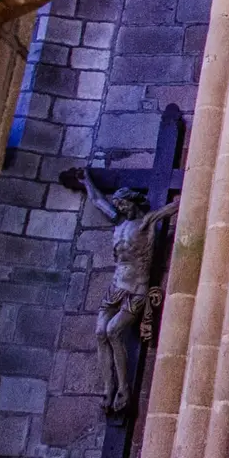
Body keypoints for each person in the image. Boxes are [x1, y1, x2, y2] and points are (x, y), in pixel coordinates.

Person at [68, 170, 179, 413]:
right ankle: (108, 388)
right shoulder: (119, 225)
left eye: (124, 204)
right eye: (118, 204)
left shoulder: (146, 222)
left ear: (133, 202)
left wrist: (191, 189)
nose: (121, 208)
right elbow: (98, 201)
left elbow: (171, 209)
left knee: (113, 331)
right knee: (100, 332)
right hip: (116, 287)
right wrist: (86, 179)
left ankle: (124, 390)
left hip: (136, 290)